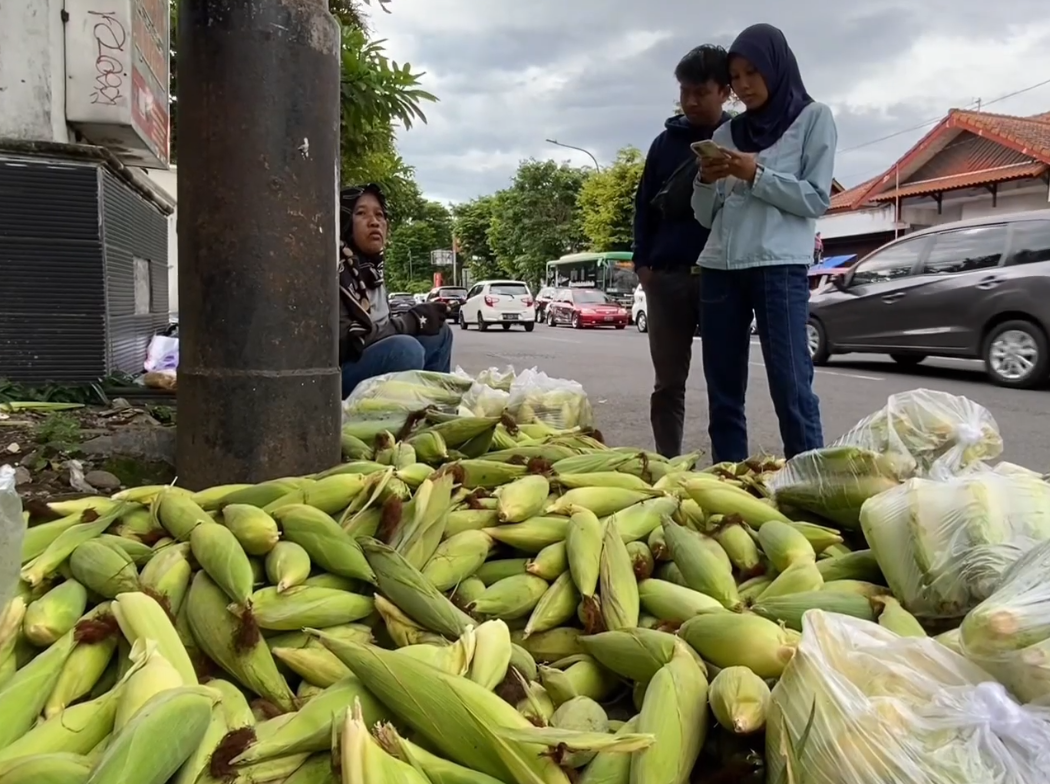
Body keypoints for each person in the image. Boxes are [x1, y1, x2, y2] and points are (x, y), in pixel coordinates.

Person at [691, 23, 836, 462]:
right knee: (724, 393)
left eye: (753, 72)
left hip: (778, 266)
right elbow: (704, 215)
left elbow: (815, 198)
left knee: (792, 387)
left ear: (777, 66)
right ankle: (729, 488)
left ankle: (810, 488)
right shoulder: (724, 136)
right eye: (736, 77)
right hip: (720, 268)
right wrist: (704, 178)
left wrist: (755, 174)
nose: (744, 85)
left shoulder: (814, 118)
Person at [633, 44, 732, 458]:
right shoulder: (663, 144)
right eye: (684, 91)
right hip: (667, 277)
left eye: (701, 92)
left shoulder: (739, 139)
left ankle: (729, 468)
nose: (690, 101)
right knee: (668, 384)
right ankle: (667, 466)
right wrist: (643, 264)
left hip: (721, 276)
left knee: (725, 383)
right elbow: (643, 205)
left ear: (725, 92)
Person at [338, 184, 452, 398]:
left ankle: (434, 409)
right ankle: (385, 418)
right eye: (361, 213)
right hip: (340, 375)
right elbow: (346, 341)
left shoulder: (372, 272)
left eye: (379, 215)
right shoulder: (336, 271)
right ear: (344, 221)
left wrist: (420, 319)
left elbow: (381, 326)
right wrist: (408, 322)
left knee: (440, 334)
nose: (374, 222)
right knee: (405, 349)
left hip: (369, 357)